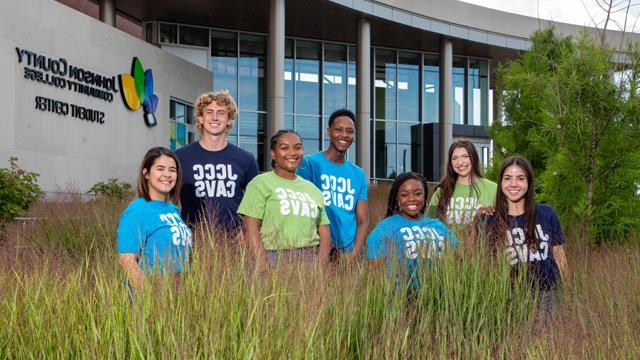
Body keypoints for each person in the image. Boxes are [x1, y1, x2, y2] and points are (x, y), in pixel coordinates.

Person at [474, 155, 569, 322]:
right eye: (507, 178)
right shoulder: (488, 219)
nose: (513, 184)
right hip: (510, 297)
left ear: (528, 182)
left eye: (520, 178)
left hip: (549, 295)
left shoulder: (546, 213)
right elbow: (482, 263)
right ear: (501, 183)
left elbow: (560, 256)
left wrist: (569, 293)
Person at [237, 130, 332, 270]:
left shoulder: (313, 190)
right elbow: (250, 226)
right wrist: (262, 264)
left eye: (297, 147)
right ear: (273, 153)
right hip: (271, 257)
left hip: (309, 259)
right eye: (284, 148)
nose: (292, 152)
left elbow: (324, 232)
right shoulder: (260, 183)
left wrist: (320, 265)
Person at [175, 91, 259, 238]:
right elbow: (168, 200)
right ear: (200, 118)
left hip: (233, 244)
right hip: (192, 241)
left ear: (229, 120)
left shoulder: (245, 159)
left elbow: (257, 201)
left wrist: (246, 230)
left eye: (221, 113)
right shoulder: (180, 157)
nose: (214, 117)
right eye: (209, 112)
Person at [297, 109, 368, 261]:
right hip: (317, 249)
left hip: (348, 252)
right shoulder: (309, 164)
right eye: (338, 130)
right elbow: (304, 210)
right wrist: (327, 250)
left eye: (349, 131)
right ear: (329, 132)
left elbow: (362, 220)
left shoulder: (358, 174)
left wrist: (354, 254)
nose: (344, 135)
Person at [367, 172, 458, 290]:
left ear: (425, 197)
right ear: (398, 199)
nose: (411, 199)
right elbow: (374, 274)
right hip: (400, 297)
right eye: (404, 195)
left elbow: (459, 257)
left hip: (436, 297)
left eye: (418, 194)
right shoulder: (385, 227)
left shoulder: (437, 226)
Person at [117, 147, 193, 288]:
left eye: (172, 170)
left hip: (177, 294)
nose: (167, 174)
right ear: (146, 173)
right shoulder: (136, 210)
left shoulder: (173, 209)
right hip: (151, 295)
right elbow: (126, 259)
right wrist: (149, 296)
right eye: (160, 168)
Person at [427, 140, 497, 236]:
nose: (460, 162)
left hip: (480, 250)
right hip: (447, 250)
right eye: (454, 158)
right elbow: (428, 224)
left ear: (474, 158)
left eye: (465, 156)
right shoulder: (441, 190)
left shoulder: (493, 188)